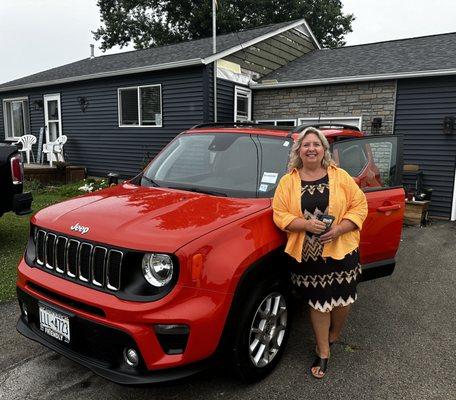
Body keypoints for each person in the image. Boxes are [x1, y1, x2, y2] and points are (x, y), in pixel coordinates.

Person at [272, 126, 368, 379]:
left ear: (324, 150)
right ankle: (323, 351)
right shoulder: (288, 181)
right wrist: (303, 224)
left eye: (316, 144)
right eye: (306, 145)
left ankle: (333, 335)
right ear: (299, 151)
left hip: (342, 250)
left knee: (343, 301)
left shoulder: (340, 177)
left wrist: (338, 229)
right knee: (319, 303)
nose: (311, 148)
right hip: (308, 255)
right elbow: (279, 214)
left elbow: (360, 205)